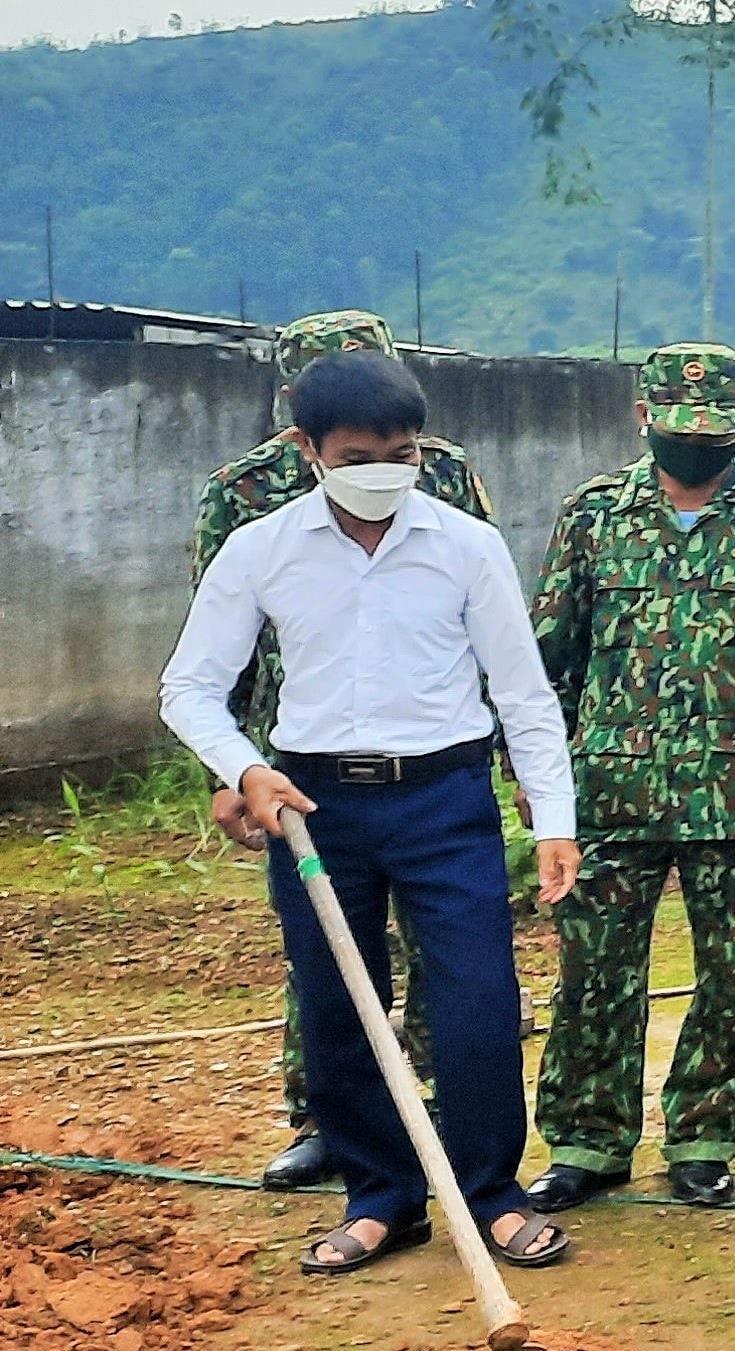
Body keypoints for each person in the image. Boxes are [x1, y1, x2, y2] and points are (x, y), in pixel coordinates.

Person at [159, 350, 576, 1276]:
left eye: (403, 452)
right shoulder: (261, 548)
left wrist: (555, 819)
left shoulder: (467, 546)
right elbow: (189, 688)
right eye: (358, 455)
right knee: (339, 1003)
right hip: (315, 805)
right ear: (306, 448)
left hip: (446, 799)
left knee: (478, 998)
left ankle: (491, 1195)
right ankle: (382, 1197)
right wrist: (245, 769)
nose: (383, 471)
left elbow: (525, 693)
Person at [526, 344, 735, 1214]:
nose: (698, 442)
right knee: (595, 976)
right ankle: (587, 1141)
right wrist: (542, 781)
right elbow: (548, 659)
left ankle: (703, 1135)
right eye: (680, 427)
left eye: (716, 430)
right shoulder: (592, 515)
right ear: (643, 417)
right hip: (611, 792)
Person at [196, 310, 491, 1194]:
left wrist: (507, 755)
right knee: (329, 965)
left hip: (428, 752)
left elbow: (477, 630)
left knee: (458, 964)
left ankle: (443, 1118)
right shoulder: (244, 496)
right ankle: (330, 1124)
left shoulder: (443, 479)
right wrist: (230, 768)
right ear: (300, 416)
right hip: (303, 761)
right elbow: (218, 646)